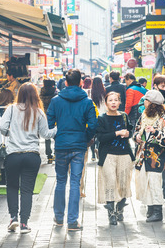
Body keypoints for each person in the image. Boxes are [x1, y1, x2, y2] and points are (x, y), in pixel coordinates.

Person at [0, 83, 57, 234]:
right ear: (35, 95)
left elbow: (2, 126)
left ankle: (13, 218)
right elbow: (46, 134)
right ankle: (24, 223)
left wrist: (9, 134)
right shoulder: (38, 112)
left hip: (13, 155)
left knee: (12, 187)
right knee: (27, 190)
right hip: (32, 155)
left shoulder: (11, 109)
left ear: (19, 94)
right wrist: (59, 128)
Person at [47, 69, 98, 231]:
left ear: (66, 83)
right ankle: (72, 221)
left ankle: (59, 217)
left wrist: (58, 135)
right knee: (75, 182)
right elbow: (93, 125)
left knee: (61, 181)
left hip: (61, 145)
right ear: (81, 83)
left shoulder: (56, 101)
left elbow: (49, 125)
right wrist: (85, 137)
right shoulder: (87, 102)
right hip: (79, 146)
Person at [134, 90, 165, 222]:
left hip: (156, 157)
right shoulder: (143, 116)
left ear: (152, 103)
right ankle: (150, 209)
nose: (143, 102)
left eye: (145, 100)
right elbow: (136, 130)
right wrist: (137, 137)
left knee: (155, 183)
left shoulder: (163, 119)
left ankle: (157, 211)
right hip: (143, 155)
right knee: (146, 182)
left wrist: (155, 132)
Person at [96, 92, 134, 225]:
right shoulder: (102, 118)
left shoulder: (124, 116)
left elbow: (130, 130)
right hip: (108, 155)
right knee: (110, 182)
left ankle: (120, 209)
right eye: (110, 100)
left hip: (124, 154)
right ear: (106, 103)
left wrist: (128, 134)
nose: (113, 102)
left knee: (124, 184)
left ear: (119, 102)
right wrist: (117, 133)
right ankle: (111, 213)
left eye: (115, 100)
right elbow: (100, 137)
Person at [40, 79, 58, 164]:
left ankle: (49, 155)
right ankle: (55, 153)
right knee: (55, 134)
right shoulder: (55, 94)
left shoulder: (41, 94)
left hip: (44, 116)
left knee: (46, 135)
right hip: (54, 116)